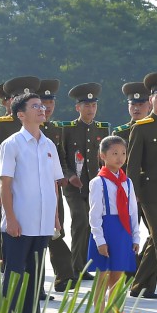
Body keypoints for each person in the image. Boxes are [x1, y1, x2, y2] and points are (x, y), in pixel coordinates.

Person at [0, 92, 63, 313]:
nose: (42, 109)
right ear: (21, 114)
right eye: (35, 106)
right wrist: (11, 218)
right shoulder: (12, 144)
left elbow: (53, 184)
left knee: (35, 279)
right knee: (15, 278)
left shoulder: (49, 145)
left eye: (43, 106)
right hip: (20, 223)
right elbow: (5, 185)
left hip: (43, 222)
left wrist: (56, 217)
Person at [0, 76, 40, 282]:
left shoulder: (38, 123)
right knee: (5, 233)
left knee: (32, 235)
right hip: (8, 190)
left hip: (31, 191)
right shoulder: (1, 125)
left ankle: (32, 282)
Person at [127, 72, 157, 301]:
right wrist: (132, 194)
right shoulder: (142, 127)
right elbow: (132, 165)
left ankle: (140, 286)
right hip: (150, 195)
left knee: (156, 241)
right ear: (151, 100)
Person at [59, 82, 110, 280]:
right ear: (78, 107)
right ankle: (74, 266)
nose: (90, 109)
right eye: (86, 105)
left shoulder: (102, 129)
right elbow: (61, 156)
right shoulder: (68, 129)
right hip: (74, 186)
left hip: (95, 185)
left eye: (93, 105)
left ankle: (82, 265)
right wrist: (69, 174)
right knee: (79, 219)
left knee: (92, 223)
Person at [87, 135, 140, 308]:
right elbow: (94, 215)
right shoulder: (98, 182)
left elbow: (133, 211)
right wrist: (99, 240)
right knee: (102, 280)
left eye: (123, 153)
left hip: (123, 231)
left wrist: (135, 237)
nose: (120, 158)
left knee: (117, 281)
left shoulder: (128, 182)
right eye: (115, 153)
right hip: (105, 231)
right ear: (103, 155)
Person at [118, 82, 157, 298]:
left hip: (155, 192)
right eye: (132, 104)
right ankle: (133, 276)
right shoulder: (121, 132)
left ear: (149, 103)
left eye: (141, 103)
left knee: (156, 236)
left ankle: (143, 280)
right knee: (131, 235)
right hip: (129, 191)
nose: (137, 108)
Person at [38, 79, 77, 294]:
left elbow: (60, 158)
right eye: (43, 102)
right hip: (33, 191)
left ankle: (64, 276)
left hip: (54, 189)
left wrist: (63, 176)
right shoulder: (24, 130)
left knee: (56, 229)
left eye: (51, 101)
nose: (48, 106)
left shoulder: (54, 129)